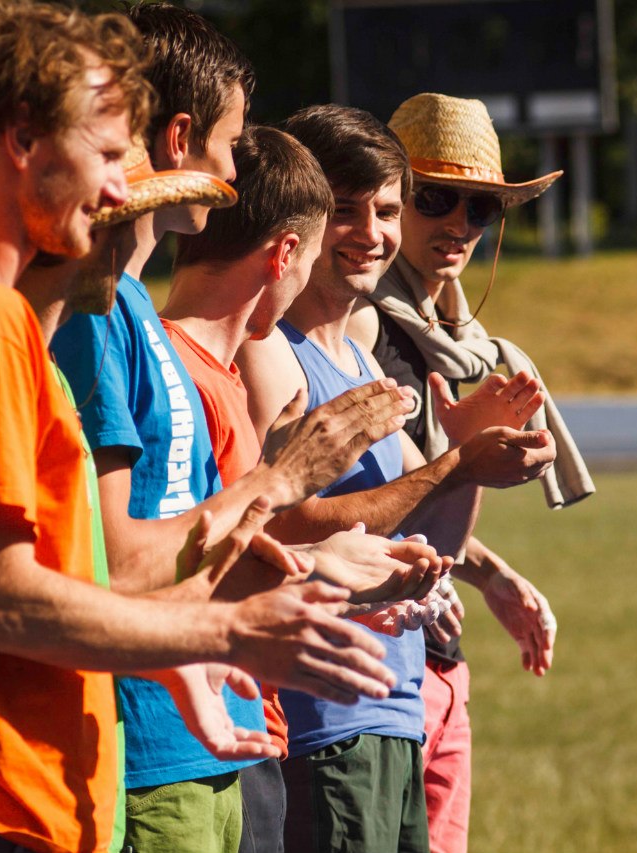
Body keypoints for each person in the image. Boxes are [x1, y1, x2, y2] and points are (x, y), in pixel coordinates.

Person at [0, 5, 397, 853]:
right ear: (21, 139)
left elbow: (51, 566)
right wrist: (227, 630)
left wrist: (165, 653)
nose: (126, 187)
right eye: (110, 153)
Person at [49, 7, 439, 852]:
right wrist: (285, 489)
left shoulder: (134, 314)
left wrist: (315, 565)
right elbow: (113, 559)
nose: (234, 167)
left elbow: (192, 543)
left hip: (208, 735)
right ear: (182, 137)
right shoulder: (92, 313)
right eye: (231, 140)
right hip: (149, 755)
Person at [238, 104, 556, 853]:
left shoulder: (362, 357)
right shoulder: (269, 350)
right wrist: (455, 461)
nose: (373, 233)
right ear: (301, 216)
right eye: (345, 211)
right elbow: (276, 525)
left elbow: (431, 537)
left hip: (394, 710)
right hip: (323, 718)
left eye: (384, 210)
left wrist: (473, 456)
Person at [345, 92, 597, 853]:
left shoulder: (456, 337)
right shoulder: (362, 325)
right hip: (380, 667)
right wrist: (465, 454)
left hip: (438, 662)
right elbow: (362, 505)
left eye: (480, 208)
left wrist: (490, 575)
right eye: (435, 199)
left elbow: (421, 487)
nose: (458, 224)